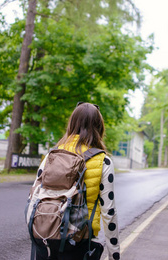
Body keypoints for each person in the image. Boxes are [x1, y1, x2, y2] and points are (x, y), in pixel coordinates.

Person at [34, 102, 120, 260]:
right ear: (99, 127)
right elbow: (109, 213)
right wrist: (114, 254)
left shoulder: (51, 156)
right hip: (80, 241)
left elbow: (34, 198)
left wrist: (35, 237)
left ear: (72, 124)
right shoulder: (103, 161)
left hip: (47, 238)